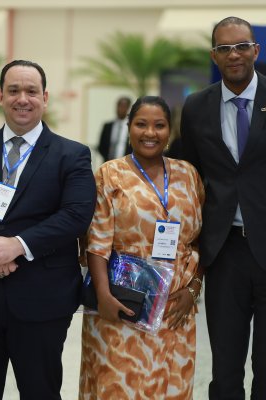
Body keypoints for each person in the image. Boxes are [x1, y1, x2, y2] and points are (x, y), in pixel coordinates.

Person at [0, 59, 96, 400]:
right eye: (13, 90)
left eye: (31, 91)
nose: (22, 98)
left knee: (40, 391)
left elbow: (76, 215)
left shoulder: (73, 155)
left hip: (41, 296)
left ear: (45, 97)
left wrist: (17, 245)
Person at [79, 96, 204, 399]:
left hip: (176, 310)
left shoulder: (188, 174)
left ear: (169, 130)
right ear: (129, 127)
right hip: (123, 305)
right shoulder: (109, 174)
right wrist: (103, 295)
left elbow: (199, 238)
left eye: (159, 125)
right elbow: (96, 244)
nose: (151, 132)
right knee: (118, 385)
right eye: (141, 124)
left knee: (171, 386)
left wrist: (193, 289)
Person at [181, 16, 266, 399]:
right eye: (225, 48)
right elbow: (189, 174)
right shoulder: (196, 107)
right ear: (214, 56)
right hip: (225, 251)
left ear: (256, 50)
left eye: (242, 46)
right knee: (226, 367)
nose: (235, 54)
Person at [98, 96, 132, 162]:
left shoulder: (131, 127)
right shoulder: (108, 126)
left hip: (126, 164)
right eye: (119, 106)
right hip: (109, 163)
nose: (120, 109)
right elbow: (101, 146)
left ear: (128, 108)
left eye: (123, 106)